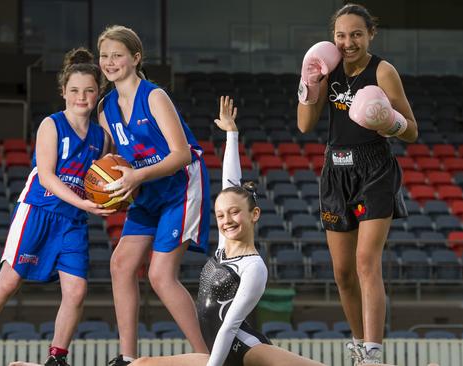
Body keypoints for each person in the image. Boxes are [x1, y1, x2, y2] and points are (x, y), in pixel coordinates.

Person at [125, 96, 325, 366]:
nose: (226, 220)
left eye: (234, 214)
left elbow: (230, 326)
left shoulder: (254, 267)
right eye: (220, 215)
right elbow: (231, 185)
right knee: (140, 364)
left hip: (246, 351)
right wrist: (231, 134)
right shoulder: (223, 247)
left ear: (254, 215)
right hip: (216, 354)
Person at [0, 48, 114, 366]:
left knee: (77, 291)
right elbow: (48, 178)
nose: (82, 96)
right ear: (64, 92)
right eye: (75, 90)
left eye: (90, 90)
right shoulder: (51, 125)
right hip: (38, 211)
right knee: (9, 281)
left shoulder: (101, 138)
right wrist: (83, 201)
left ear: (98, 93)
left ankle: (57, 358)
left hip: (73, 221)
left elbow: (103, 177)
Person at [296, 3, 418, 365]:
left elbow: (412, 130)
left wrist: (389, 123)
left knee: (366, 262)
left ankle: (374, 354)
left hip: (374, 168)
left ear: (370, 35)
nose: (348, 42)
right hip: (335, 169)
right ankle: (359, 343)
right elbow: (305, 125)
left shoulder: (383, 71)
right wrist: (309, 83)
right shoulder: (327, 66)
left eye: (356, 34)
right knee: (343, 272)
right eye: (341, 35)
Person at [95, 25, 210, 365]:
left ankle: (208, 356)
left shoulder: (155, 96)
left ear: (135, 57)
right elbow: (111, 161)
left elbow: (181, 155)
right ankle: (127, 357)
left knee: (160, 275)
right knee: (120, 264)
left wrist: (136, 176)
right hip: (147, 190)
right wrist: (106, 191)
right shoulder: (106, 108)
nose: (109, 62)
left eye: (117, 55)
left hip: (180, 185)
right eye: (104, 56)